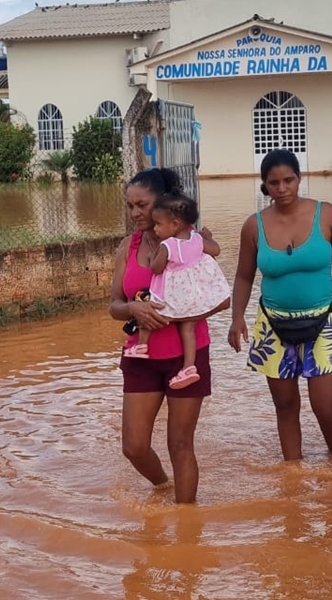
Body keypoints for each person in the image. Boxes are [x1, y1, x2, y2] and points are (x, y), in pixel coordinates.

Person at [228, 149, 332, 461]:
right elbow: (243, 277)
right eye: (274, 182)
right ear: (264, 185)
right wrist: (237, 318)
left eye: (289, 180)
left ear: (300, 179)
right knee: (285, 405)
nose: (282, 188)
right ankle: (293, 474)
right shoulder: (254, 226)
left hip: (323, 322)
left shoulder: (326, 215)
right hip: (272, 326)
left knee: (324, 404)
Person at [109, 167, 229, 504]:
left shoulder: (192, 245)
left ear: (162, 202)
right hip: (141, 356)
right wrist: (134, 309)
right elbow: (114, 304)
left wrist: (181, 315)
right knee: (133, 446)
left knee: (180, 443)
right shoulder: (128, 246)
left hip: (185, 356)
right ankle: (162, 486)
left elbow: (219, 298)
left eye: (142, 205)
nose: (135, 213)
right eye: (130, 206)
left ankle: (187, 528)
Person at [123, 192, 231, 391]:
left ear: (174, 224)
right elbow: (216, 250)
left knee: (150, 310)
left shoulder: (168, 244)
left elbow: (156, 268)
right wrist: (209, 238)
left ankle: (142, 345)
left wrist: (152, 257)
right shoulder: (197, 240)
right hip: (193, 298)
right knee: (187, 329)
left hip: (174, 296)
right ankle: (189, 367)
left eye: (158, 224)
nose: (155, 229)